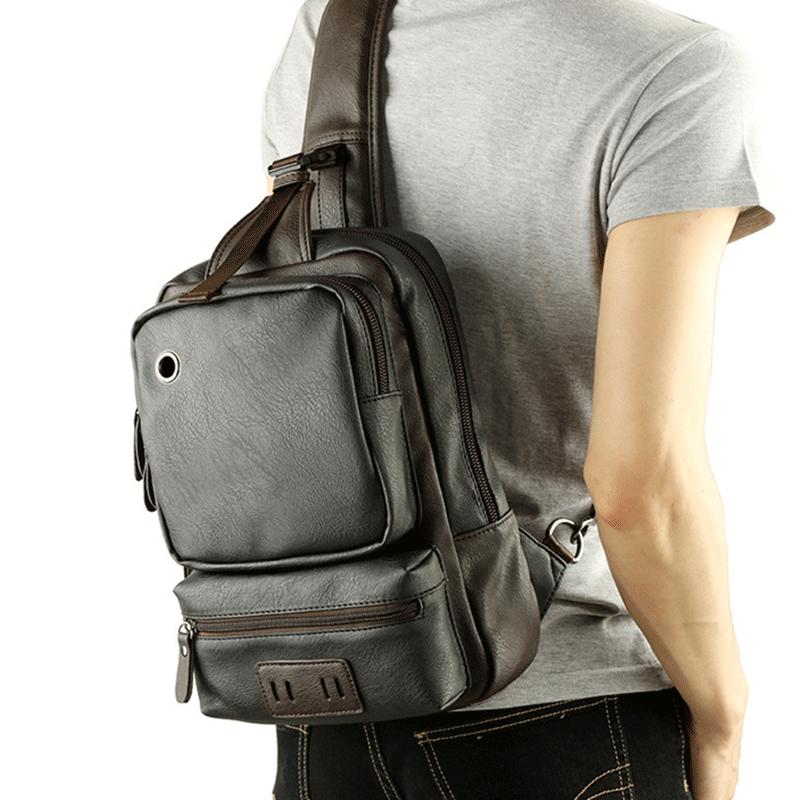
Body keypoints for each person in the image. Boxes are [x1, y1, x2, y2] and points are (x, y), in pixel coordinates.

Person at [260, 1, 775, 798]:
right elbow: (640, 484)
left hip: (334, 697)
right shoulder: (674, 70)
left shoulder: (336, 31)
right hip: (567, 714)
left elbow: (317, 358)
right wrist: (723, 716)